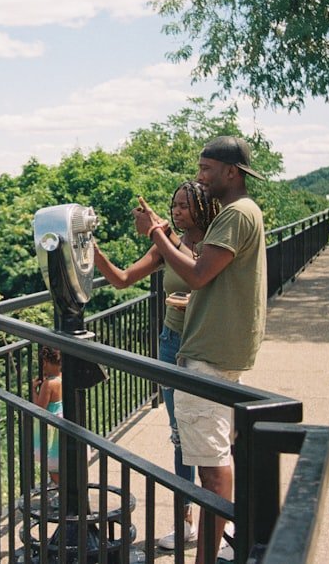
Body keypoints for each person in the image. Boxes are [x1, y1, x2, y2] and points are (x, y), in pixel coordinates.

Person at [132, 136, 267, 564]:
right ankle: (230, 542)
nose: (200, 177)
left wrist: (156, 233)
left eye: (206, 169)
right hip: (220, 356)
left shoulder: (233, 214)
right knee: (217, 457)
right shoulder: (246, 213)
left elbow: (197, 273)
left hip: (207, 359)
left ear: (232, 172)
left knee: (210, 469)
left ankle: (206, 556)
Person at [93, 181, 220, 550]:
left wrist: (159, 234)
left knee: (214, 434)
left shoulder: (216, 240)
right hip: (171, 344)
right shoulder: (165, 244)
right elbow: (121, 280)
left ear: (202, 207)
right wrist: (90, 248)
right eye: (174, 205)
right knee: (180, 434)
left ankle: (224, 517)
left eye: (184, 205)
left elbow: (201, 272)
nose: (177, 211)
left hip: (206, 346)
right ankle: (187, 522)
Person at [31, 346, 63, 483]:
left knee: (53, 465)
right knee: (64, 461)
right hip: (63, 422)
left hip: (52, 428)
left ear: (45, 362)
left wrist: (33, 389)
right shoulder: (62, 378)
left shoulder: (49, 384)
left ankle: (62, 493)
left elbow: (40, 408)